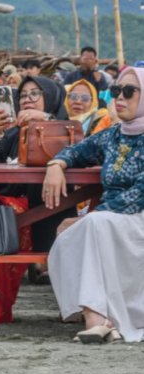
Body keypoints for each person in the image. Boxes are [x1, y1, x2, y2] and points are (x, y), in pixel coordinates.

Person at [45, 66, 144, 343]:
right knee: (74, 235)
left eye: (128, 92)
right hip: (114, 219)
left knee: (91, 225)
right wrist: (57, 164)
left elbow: (138, 194)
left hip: (136, 217)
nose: (119, 98)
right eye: (115, 91)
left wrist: (90, 216)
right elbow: (77, 150)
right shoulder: (113, 135)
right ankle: (98, 319)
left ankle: (99, 319)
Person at [0, 75, 72, 322]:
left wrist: (47, 121)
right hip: (11, 210)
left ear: (50, 99)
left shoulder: (66, 129)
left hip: (49, 212)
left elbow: (79, 148)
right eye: (23, 95)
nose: (27, 100)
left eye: (35, 94)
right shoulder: (13, 132)